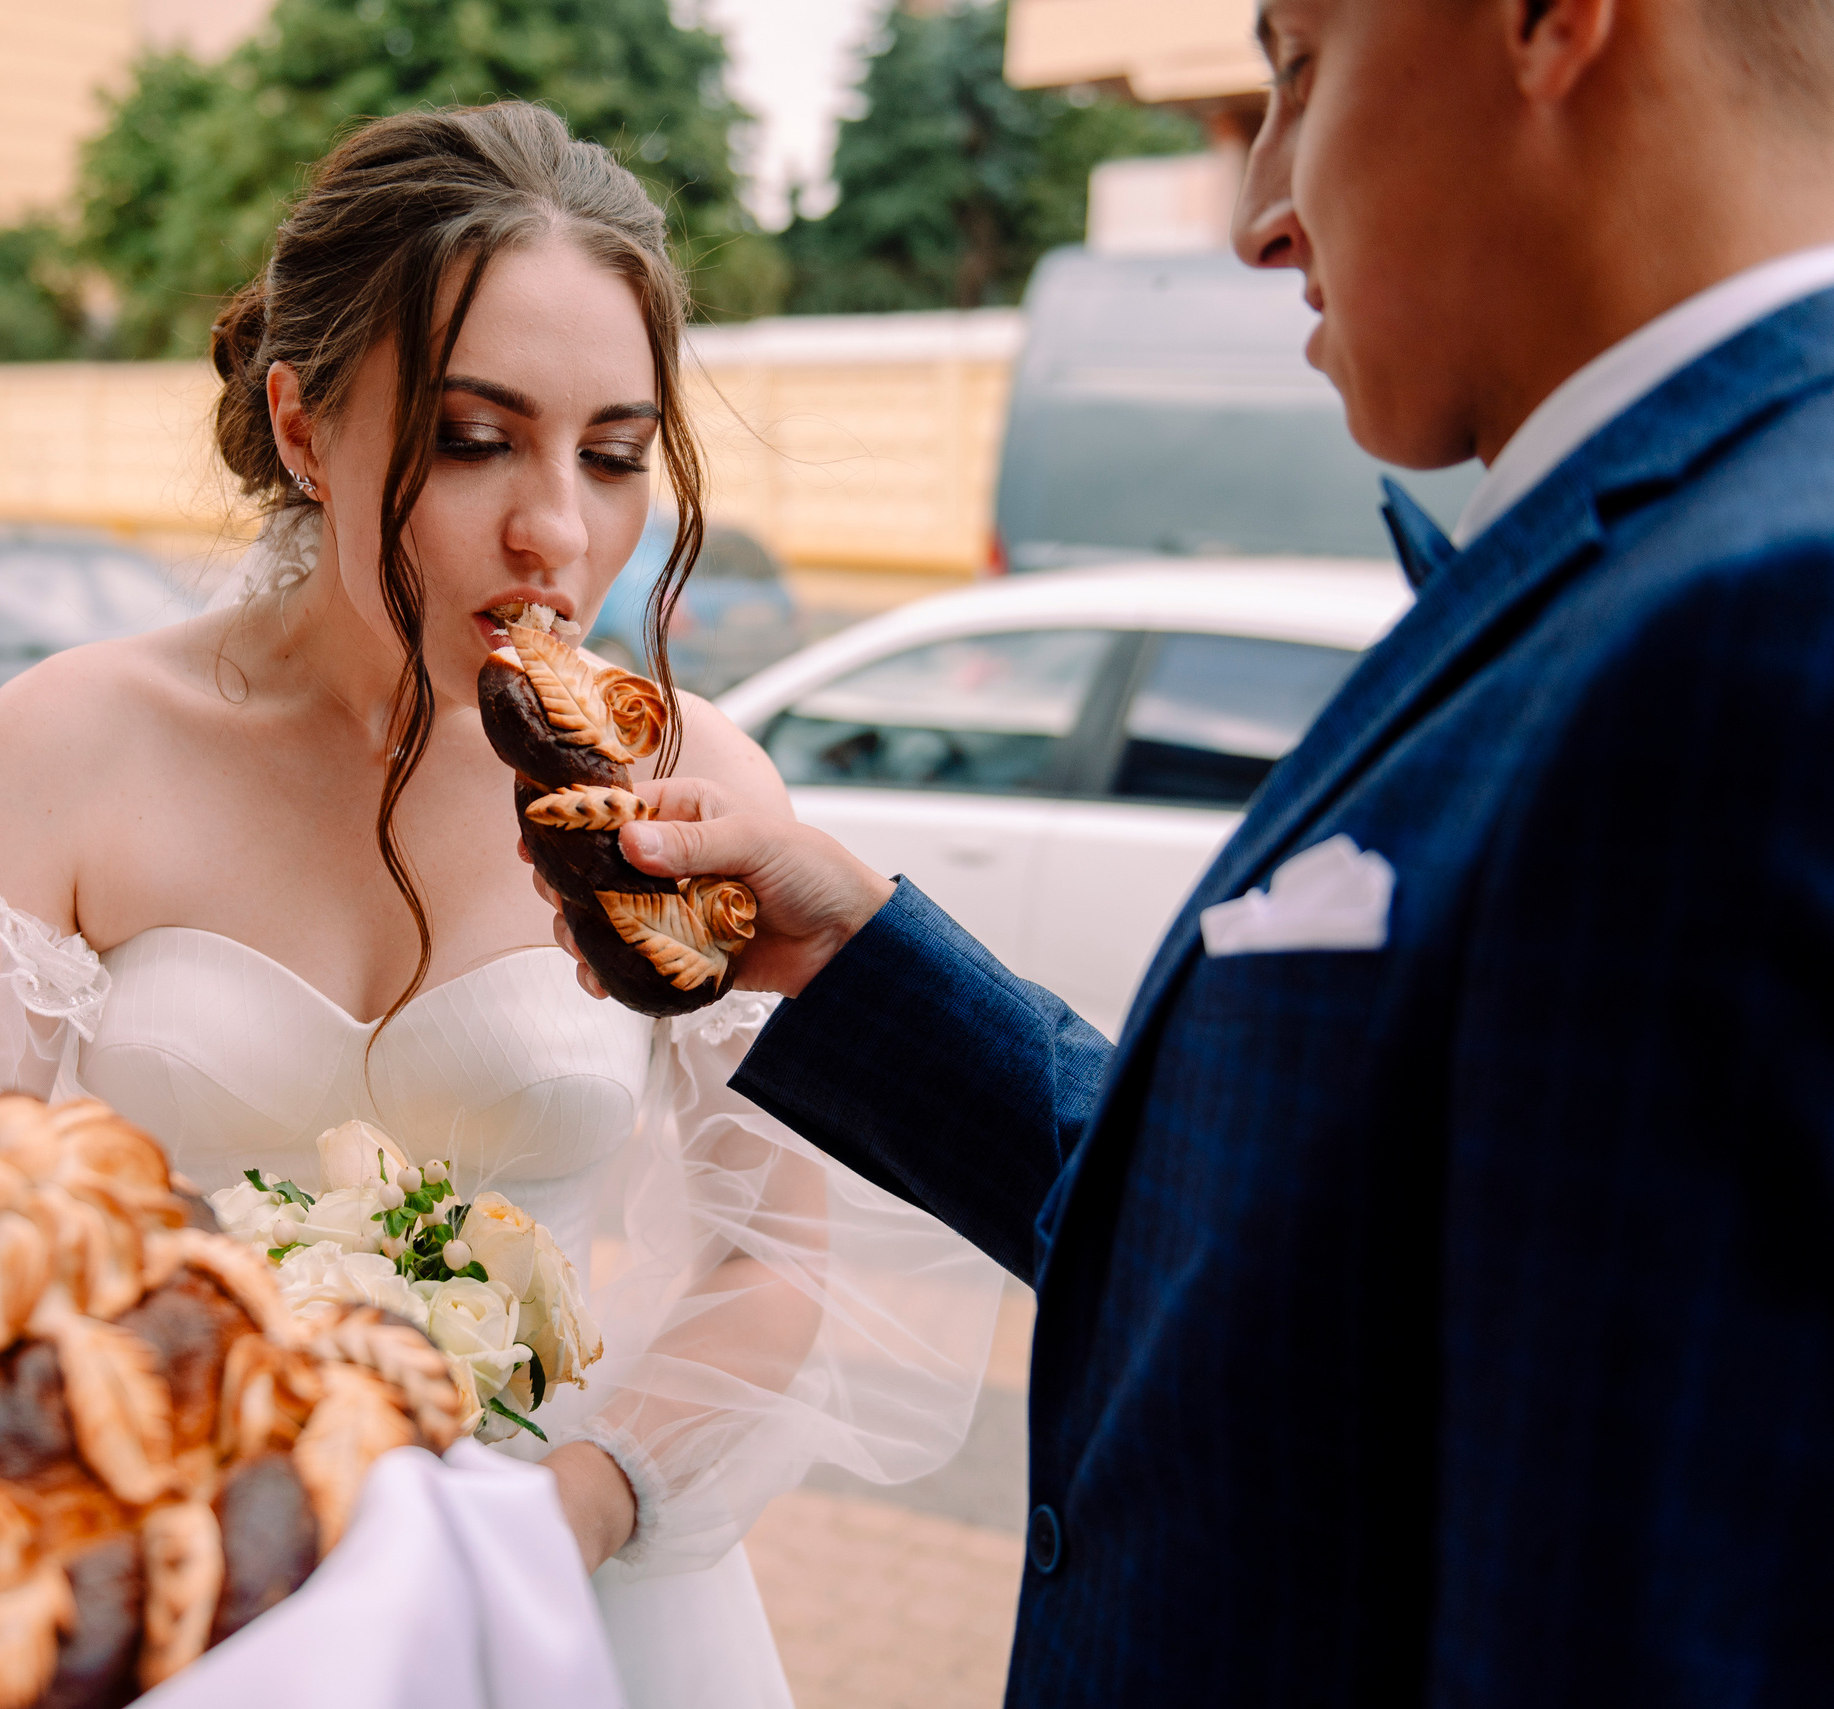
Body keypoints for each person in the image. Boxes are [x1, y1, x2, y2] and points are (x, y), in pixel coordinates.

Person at [0, 105, 994, 1704]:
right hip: (158, 1595)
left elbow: (772, 1262)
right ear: (307, 426)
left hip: (554, 1594)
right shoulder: (77, 738)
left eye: (612, 453)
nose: (557, 530)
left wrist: (571, 1507)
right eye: (478, 438)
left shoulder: (689, 779)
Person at [530, 0, 1834, 1699]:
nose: (1257, 209)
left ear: (1547, 23)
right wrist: (854, 949)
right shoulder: (1662, 548)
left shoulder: (1765, 624)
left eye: (1298, 66)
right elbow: (1304, 1255)